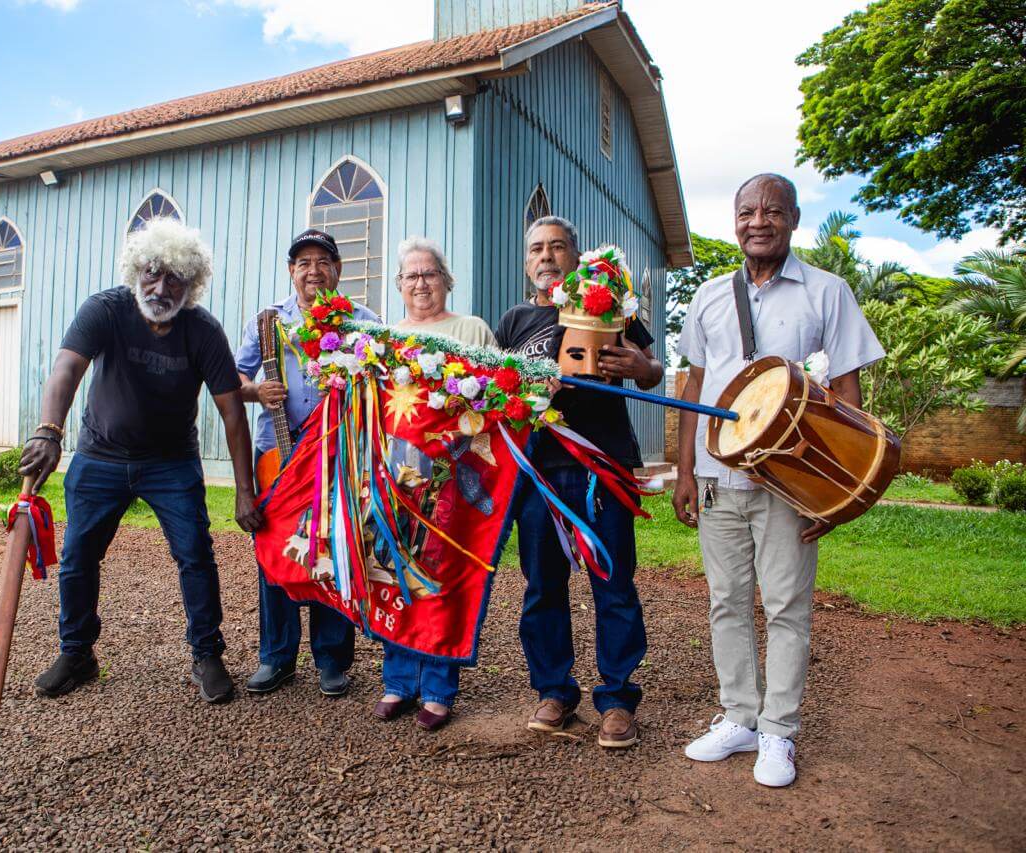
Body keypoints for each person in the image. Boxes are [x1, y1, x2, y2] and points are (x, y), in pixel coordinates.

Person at [674, 174, 884, 787]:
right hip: (717, 479)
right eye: (746, 211)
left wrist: (842, 489)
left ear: (793, 219)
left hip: (790, 480)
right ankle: (739, 717)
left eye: (771, 210)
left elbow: (847, 393)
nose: (757, 221)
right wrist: (686, 470)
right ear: (734, 219)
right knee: (726, 602)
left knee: (788, 606)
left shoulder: (827, 291)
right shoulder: (710, 295)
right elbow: (693, 386)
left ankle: (778, 732)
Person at [19, 216, 262, 705]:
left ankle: (207, 654)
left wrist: (243, 489)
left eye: (175, 277)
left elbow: (231, 409)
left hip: (171, 462)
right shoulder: (105, 309)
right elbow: (67, 367)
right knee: (79, 557)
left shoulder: (202, 330)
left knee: (194, 554)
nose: (161, 285)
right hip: (100, 455)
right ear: (136, 271)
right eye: (152, 271)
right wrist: (49, 431)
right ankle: (78, 653)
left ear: (191, 285)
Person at [495, 216, 663, 748]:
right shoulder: (515, 321)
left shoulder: (608, 300)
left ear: (575, 255)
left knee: (613, 583)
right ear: (527, 264)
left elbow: (652, 369)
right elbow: (495, 397)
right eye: (536, 249)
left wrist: (643, 366)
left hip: (601, 468)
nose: (547, 256)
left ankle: (616, 699)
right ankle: (554, 691)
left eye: (558, 247)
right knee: (543, 587)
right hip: (537, 475)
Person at [236, 228, 380, 697]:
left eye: (323, 261)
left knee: (331, 549)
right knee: (276, 551)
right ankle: (276, 657)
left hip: (338, 453)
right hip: (278, 452)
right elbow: (232, 379)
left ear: (337, 270)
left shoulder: (362, 320)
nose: (313, 270)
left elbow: (381, 382)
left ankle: (332, 659)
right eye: (303, 262)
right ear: (290, 272)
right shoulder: (267, 322)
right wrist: (256, 390)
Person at [373, 236, 496, 732]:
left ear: (447, 279)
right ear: (399, 285)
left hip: (453, 473)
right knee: (396, 571)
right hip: (398, 474)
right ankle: (398, 681)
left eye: (429, 274)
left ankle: (439, 688)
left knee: (442, 576)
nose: (421, 283)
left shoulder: (471, 329)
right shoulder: (385, 336)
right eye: (411, 276)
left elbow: (496, 399)